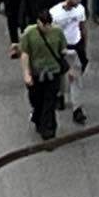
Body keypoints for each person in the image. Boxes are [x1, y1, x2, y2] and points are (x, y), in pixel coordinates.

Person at [18, 9, 67, 137]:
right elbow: (25, 53)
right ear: (38, 22)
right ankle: (38, 117)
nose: (47, 27)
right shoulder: (29, 33)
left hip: (53, 71)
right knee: (37, 100)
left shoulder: (57, 32)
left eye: (49, 24)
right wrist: (26, 73)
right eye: (44, 25)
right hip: (36, 72)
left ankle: (49, 128)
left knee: (50, 101)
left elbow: (62, 50)